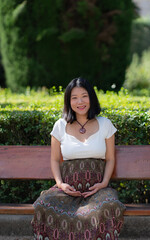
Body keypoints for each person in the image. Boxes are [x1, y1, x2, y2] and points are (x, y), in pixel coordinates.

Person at [31, 77, 125, 239]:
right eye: (74, 98)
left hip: (97, 189)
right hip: (68, 189)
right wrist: (61, 184)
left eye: (84, 96)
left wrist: (103, 183)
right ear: (69, 101)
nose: (80, 101)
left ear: (91, 98)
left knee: (110, 205)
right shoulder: (60, 125)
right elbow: (54, 159)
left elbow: (110, 159)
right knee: (43, 204)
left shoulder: (105, 124)